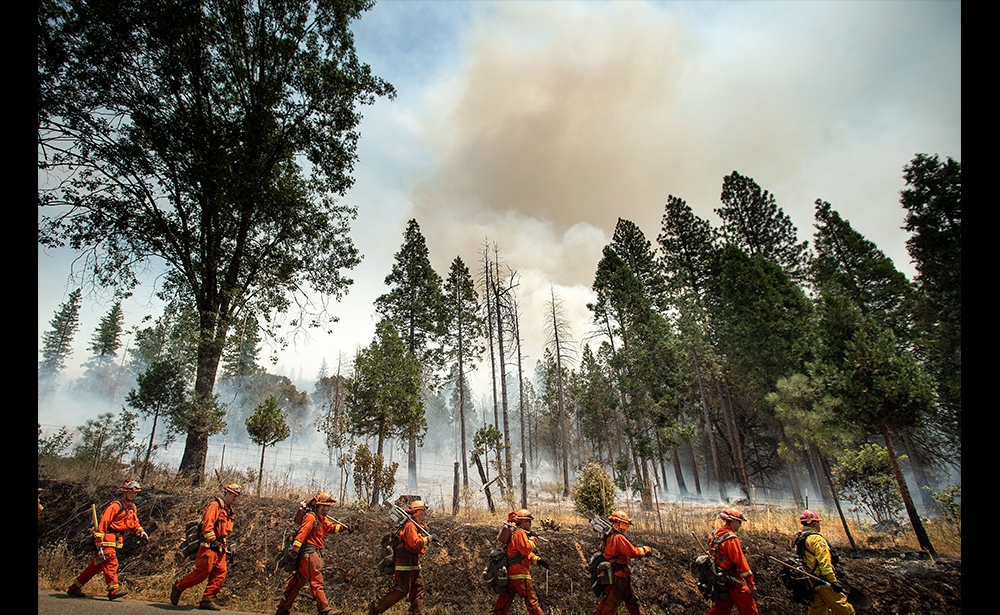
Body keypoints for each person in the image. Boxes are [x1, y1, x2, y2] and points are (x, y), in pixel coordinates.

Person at [67, 480, 148, 600]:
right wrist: (98, 538)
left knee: (95, 566)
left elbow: (133, 523)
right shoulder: (115, 506)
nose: (133, 495)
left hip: (117, 540)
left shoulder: (132, 508)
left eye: (135, 493)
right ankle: (113, 590)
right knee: (111, 563)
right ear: (125, 492)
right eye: (131, 492)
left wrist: (140, 531)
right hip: (107, 540)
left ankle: (74, 587)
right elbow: (104, 522)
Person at [277, 491, 352, 615]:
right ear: (319, 505)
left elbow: (331, 528)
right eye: (326, 506)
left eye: (329, 506)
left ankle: (283, 608)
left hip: (311, 553)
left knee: (298, 581)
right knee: (316, 581)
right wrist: (295, 550)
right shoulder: (311, 517)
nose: (328, 508)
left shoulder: (322, 519)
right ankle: (323, 610)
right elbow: (302, 533)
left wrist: (345, 528)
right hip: (309, 554)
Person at [170, 483, 243, 610]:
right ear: (227, 493)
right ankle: (178, 587)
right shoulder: (215, 506)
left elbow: (224, 530)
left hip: (220, 546)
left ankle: (207, 600)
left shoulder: (228, 509)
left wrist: (221, 544)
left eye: (236, 496)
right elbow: (207, 526)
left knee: (221, 572)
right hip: (208, 547)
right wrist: (212, 541)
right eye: (234, 495)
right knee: (202, 573)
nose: (235, 499)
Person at [369, 500, 432, 615]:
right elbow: (413, 544)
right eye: (423, 511)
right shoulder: (410, 526)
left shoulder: (418, 526)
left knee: (418, 587)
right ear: (417, 513)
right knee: (402, 589)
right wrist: (427, 540)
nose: (425, 513)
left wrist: (426, 541)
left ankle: (417, 613)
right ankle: (376, 609)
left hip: (413, 561)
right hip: (404, 562)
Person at [795, 510, 855, 615]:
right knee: (847, 611)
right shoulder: (816, 539)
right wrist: (833, 581)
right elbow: (824, 563)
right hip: (824, 583)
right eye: (818, 522)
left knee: (817, 612)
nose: (819, 525)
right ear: (813, 523)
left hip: (811, 584)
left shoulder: (800, 538)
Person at [491, 508, 548, 615]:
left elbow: (522, 554)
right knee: (531, 601)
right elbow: (526, 549)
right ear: (523, 522)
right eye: (529, 522)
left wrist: (538, 561)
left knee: (503, 602)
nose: (530, 524)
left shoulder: (513, 534)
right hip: (520, 575)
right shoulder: (520, 533)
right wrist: (533, 539)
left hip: (510, 575)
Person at [594, 511, 653, 615]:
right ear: (620, 523)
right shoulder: (618, 538)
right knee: (610, 603)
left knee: (631, 600)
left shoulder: (607, 536)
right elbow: (632, 552)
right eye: (625, 524)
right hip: (618, 576)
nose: (626, 528)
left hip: (620, 574)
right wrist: (645, 550)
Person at [705, 507, 758, 615]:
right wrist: (751, 583)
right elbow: (740, 562)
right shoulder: (731, 539)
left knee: (722, 608)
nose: (740, 525)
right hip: (734, 582)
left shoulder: (714, 534)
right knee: (749, 609)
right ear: (733, 521)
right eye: (739, 522)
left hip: (720, 580)